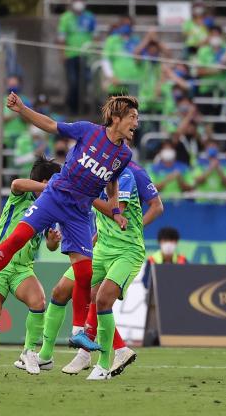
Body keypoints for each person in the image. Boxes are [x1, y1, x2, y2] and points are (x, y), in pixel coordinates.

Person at [0, 91, 137, 359]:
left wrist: (115, 210)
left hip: (79, 212)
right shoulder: (88, 131)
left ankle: (77, 331)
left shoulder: (124, 154)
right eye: (132, 117)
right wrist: (22, 109)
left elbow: (111, 180)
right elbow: (50, 124)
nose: (136, 122)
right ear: (116, 118)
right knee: (19, 236)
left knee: (85, 273)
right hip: (56, 196)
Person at [32, 160, 163, 376]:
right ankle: (46, 355)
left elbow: (115, 210)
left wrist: (86, 195)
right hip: (100, 249)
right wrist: (88, 243)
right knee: (61, 290)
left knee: (101, 299)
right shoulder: (94, 178)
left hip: (126, 251)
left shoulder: (126, 175)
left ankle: (102, 363)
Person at [0, 157, 62, 381]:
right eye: (56, 181)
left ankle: (28, 352)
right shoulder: (21, 196)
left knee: (39, 302)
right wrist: (48, 188)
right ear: (45, 182)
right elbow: (16, 183)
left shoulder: (50, 210)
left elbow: (51, 247)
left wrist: (53, 240)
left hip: (22, 268)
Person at [58, 0, 96, 114]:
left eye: (81, 0)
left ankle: (81, 106)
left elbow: (95, 36)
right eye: (77, 0)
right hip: (71, 55)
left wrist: (95, 52)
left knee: (85, 82)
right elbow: (61, 37)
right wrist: (62, 53)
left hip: (87, 55)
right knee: (73, 82)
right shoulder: (65, 17)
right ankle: (71, 106)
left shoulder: (90, 17)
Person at [102, 16, 142, 92]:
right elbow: (106, 60)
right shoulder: (112, 40)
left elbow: (140, 61)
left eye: (129, 25)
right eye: (124, 24)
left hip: (134, 83)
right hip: (116, 84)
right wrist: (111, 76)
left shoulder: (136, 41)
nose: (126, 27)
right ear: (120, 25)